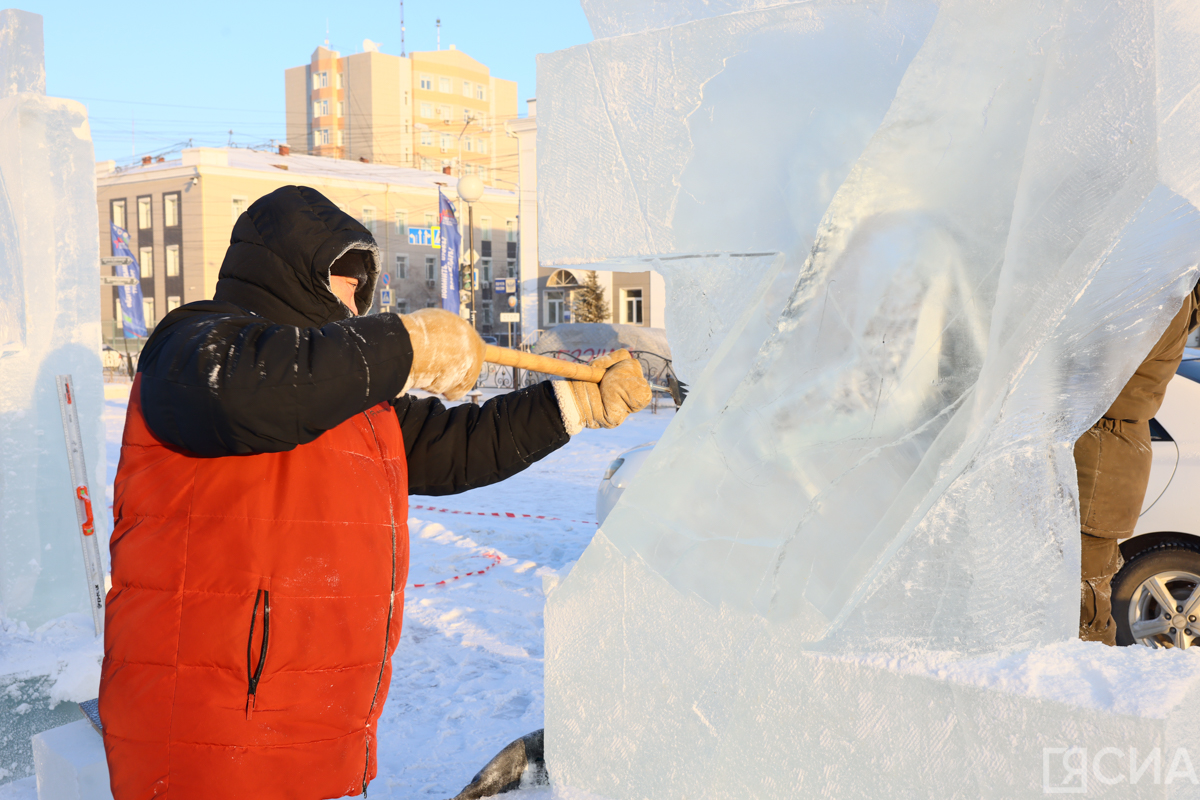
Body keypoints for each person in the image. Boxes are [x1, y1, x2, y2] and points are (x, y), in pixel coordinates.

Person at [98, 185, 651, 799]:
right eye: (339, 272)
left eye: (363, 276)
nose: (353, 293)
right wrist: (406, 343)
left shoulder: (346, 396)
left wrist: (571, 403)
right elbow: (264, 387)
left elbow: (452, 445)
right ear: (284, 270)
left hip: (314, 723)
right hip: (211, 727)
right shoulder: (196, 347)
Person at [1076, 278, 1200, 645]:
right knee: (1087, 589)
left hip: (1103, 453)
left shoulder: (1164, 300)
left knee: (1085, 600)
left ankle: (1078, 691)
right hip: (1109, 450)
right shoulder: (1175, 298)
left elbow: (1103, 377)